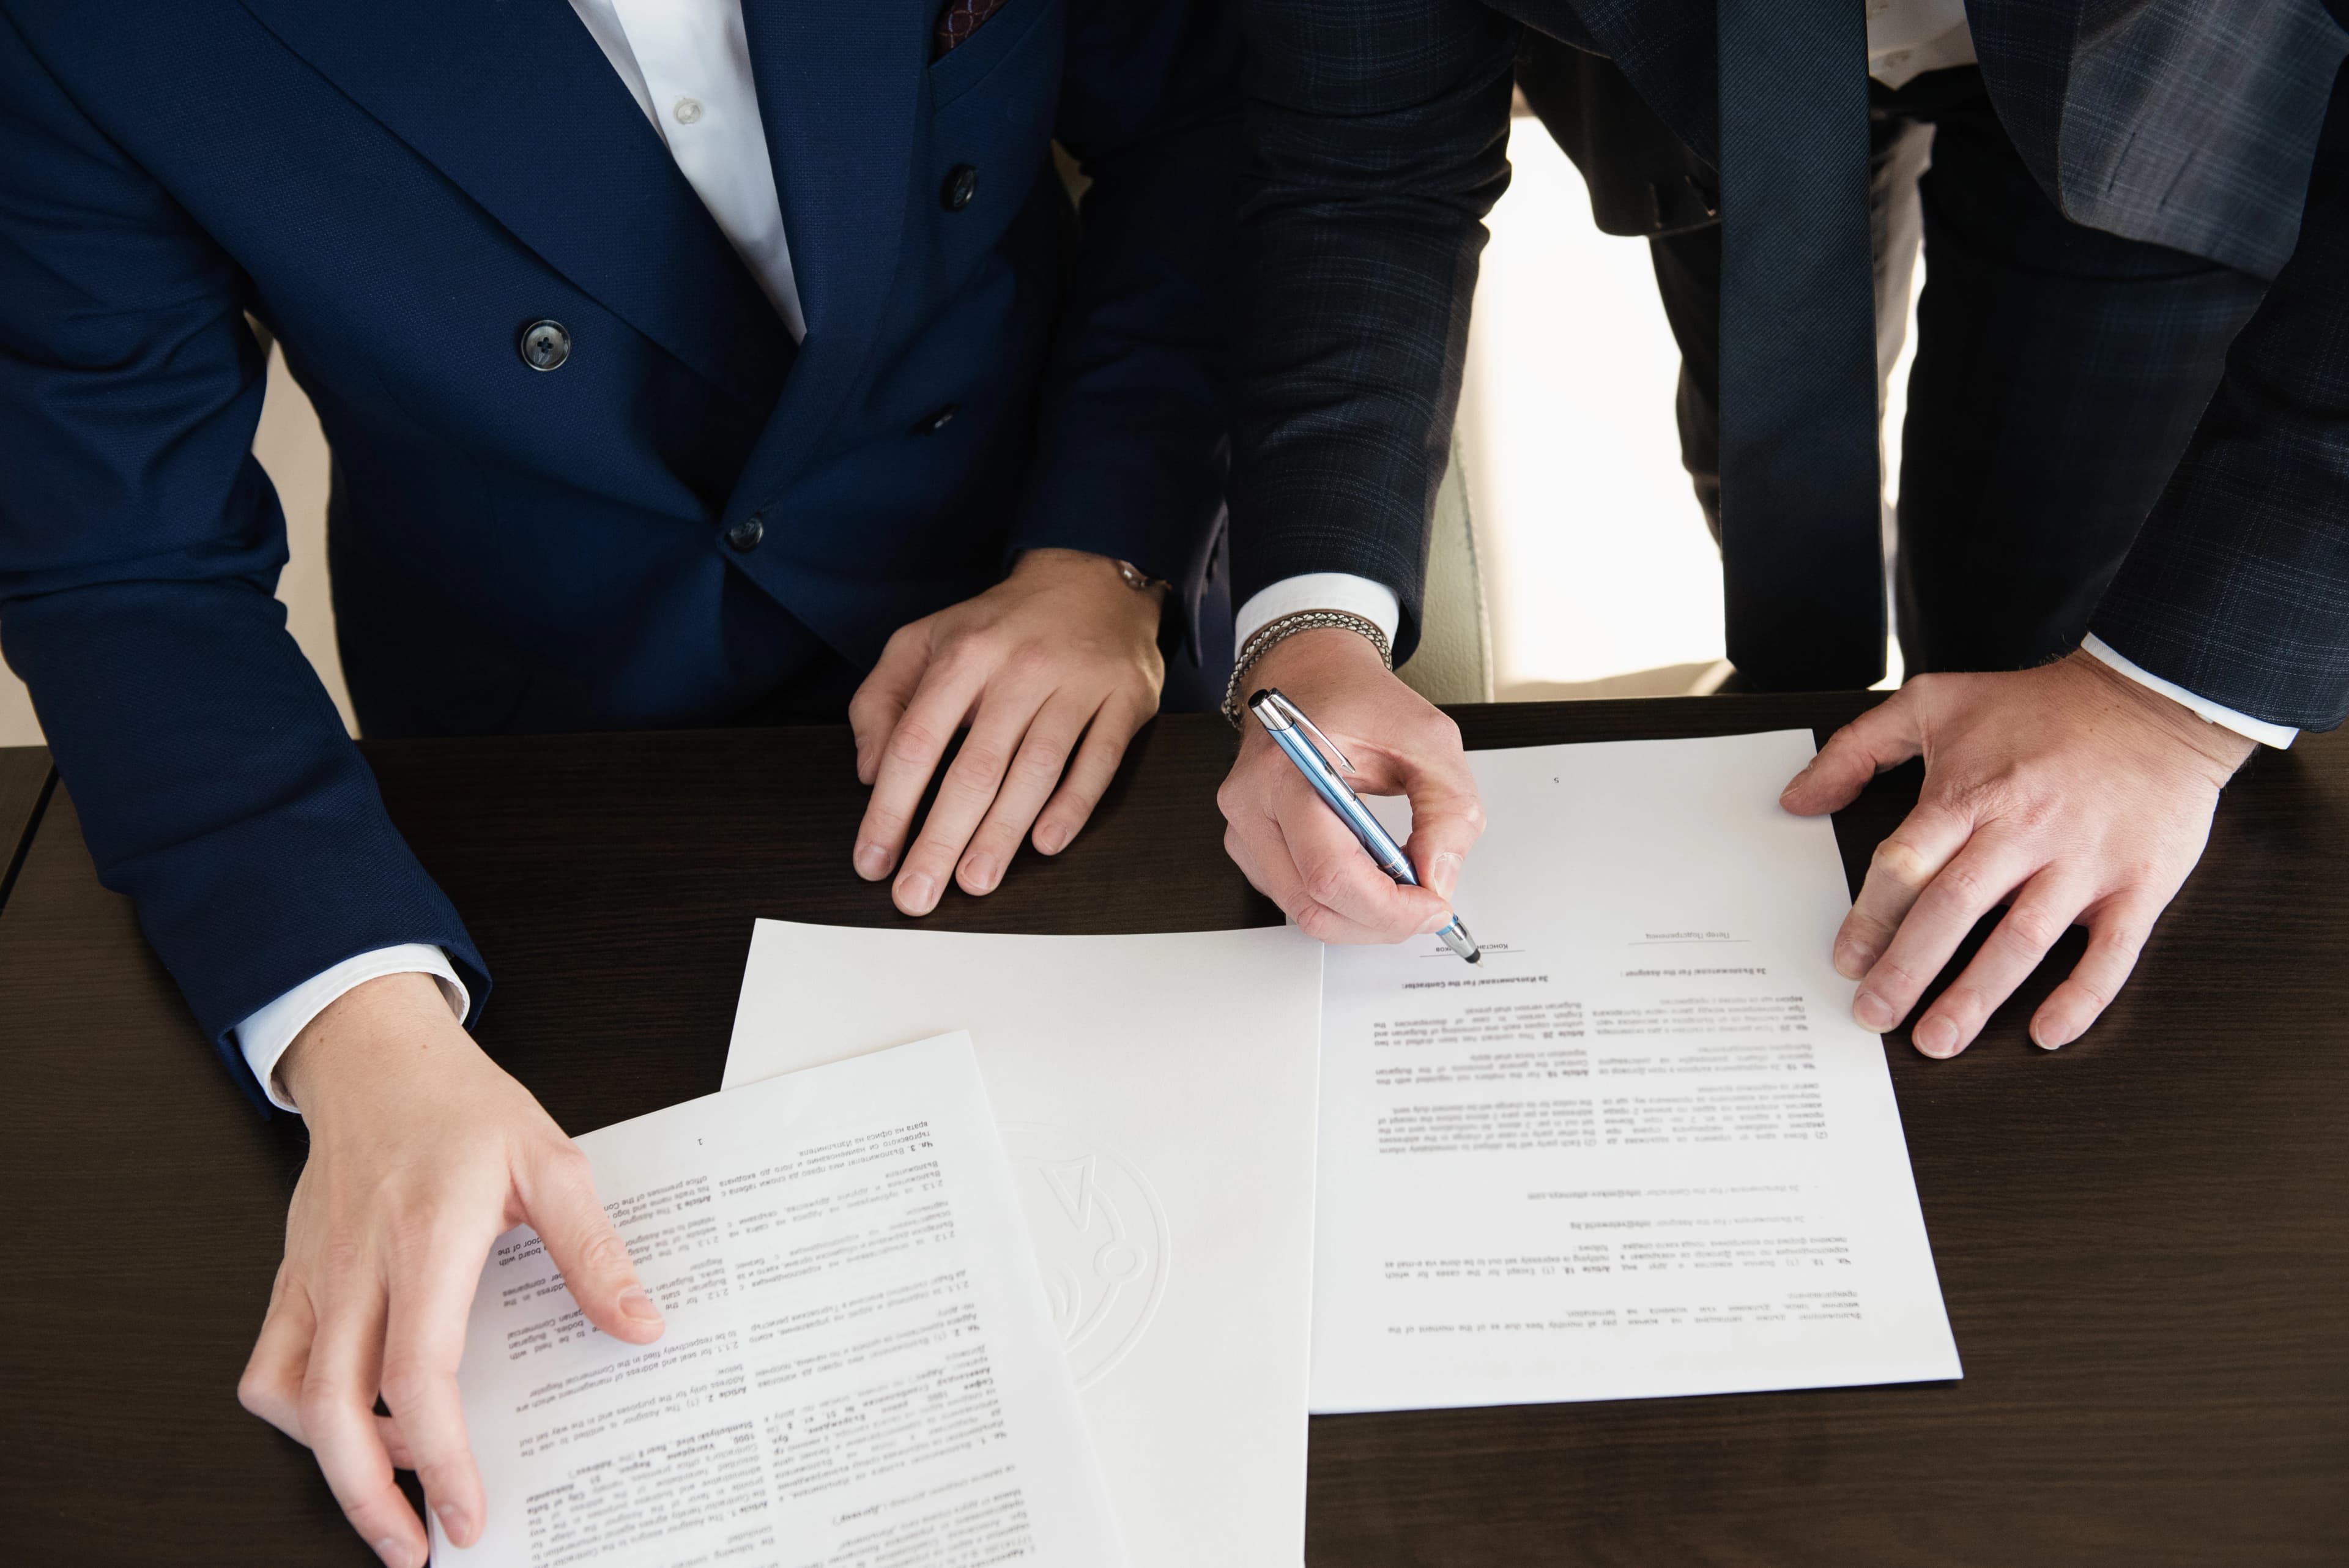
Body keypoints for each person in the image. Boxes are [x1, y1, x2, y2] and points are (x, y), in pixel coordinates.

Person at [0, 1, 1238, 1562]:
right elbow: (125, 557)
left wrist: (1107, 544)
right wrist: (350, 1025)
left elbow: (1199, 129)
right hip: (541, 760)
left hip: (1049, 623)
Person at [1215, 1, 2349, 1058]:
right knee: (1758, 452)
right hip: (1701, 49)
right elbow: (1353, 178)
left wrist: (2166, 709)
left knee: (2048, 614)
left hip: (2155, 56)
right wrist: (1313, 631)